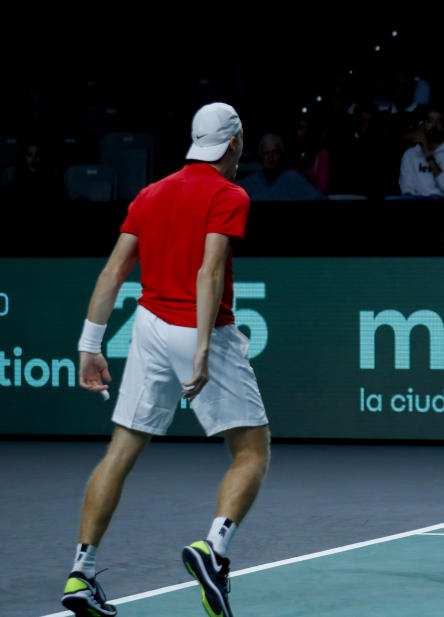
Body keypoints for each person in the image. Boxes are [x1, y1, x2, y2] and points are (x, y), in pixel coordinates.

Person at [61, 103, 271, 617]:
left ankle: (78, 577)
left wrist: (90, 345)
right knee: (252, 451)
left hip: (148, 328)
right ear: (235, 144)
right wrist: (201, 349)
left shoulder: (151, 193)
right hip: (201, 330)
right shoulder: (230, 195)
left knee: (122, 450)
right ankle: (213, 549)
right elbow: (210, 271)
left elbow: (113, 272)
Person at [239, 133, 325, 201]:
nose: (271, 158)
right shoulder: (249, 184)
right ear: (261, 156)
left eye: (275, 152)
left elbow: (319, 199)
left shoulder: (295, 180)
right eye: (266, 153)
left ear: (281, 154)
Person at [398, 107, 444, 197]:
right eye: (430, 121)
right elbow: (406, 187)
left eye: (439, 122)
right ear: (423, 125)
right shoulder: (410, 154)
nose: (434, 125)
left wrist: (427, 153)